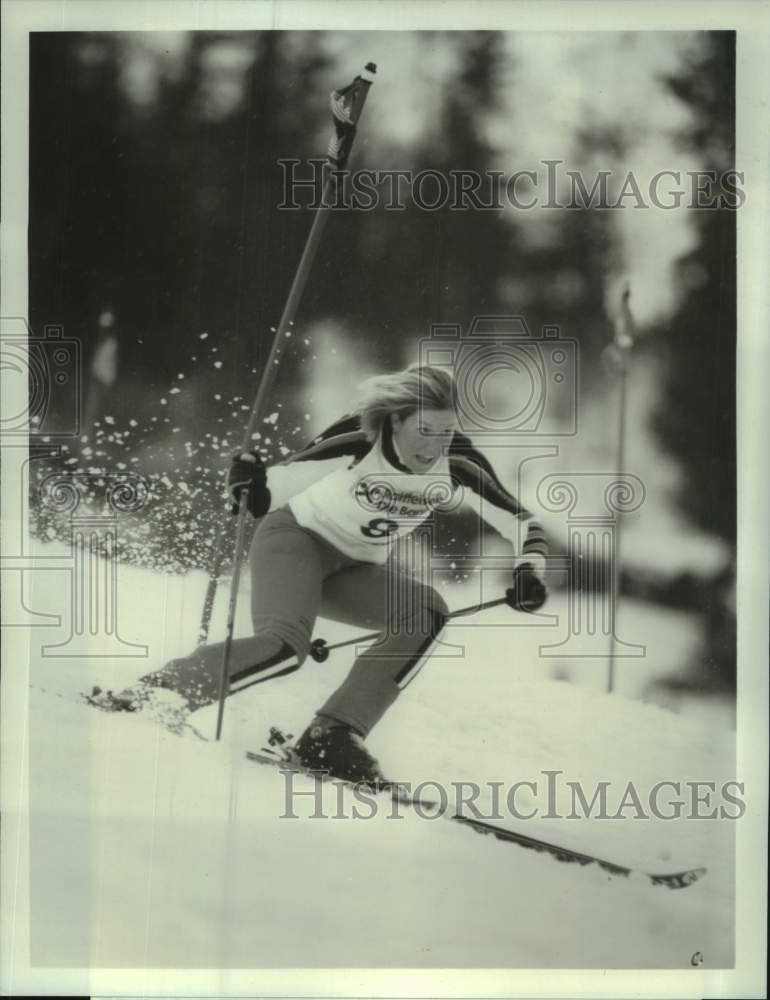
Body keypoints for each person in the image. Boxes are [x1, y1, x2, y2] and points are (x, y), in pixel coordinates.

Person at [94, 365, 548, 785]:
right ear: (395, 421)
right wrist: (248, 483)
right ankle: (162, 693)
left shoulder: (460, 464)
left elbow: (523, 522)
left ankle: (331, 738)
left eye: (446, 433)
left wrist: (530, 567)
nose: (434, 447)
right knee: (285, 648)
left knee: (426, 612)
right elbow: (274, 489)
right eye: (424, 430)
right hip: (295, 542)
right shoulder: (358, 439)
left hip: (352, 570)